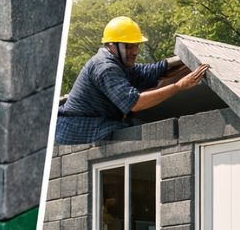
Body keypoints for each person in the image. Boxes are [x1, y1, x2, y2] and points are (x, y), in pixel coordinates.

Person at [55, 16, 209, 144]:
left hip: (95, 121)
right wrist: (179, 86)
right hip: (77, 127)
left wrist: (184, 61)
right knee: (140, 133)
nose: (135, 51)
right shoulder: (105, 67)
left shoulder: (120, 63)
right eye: (128, 47)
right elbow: (135, 104)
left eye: (136, 46)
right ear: (111, 46)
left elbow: (148, 72)